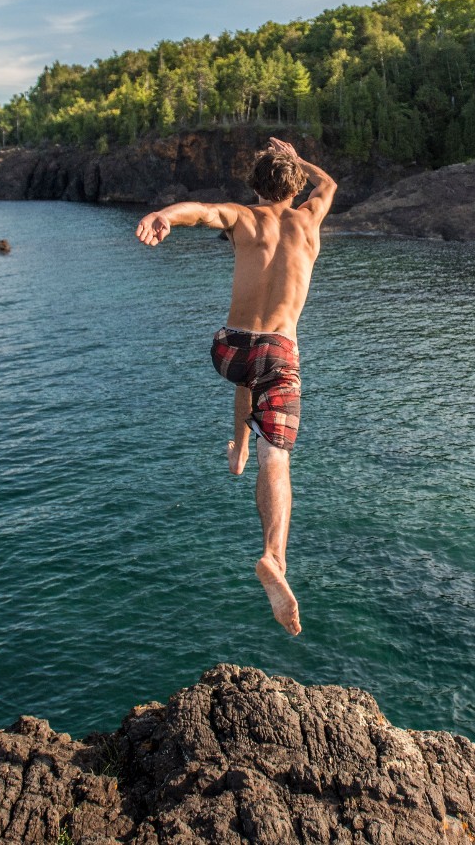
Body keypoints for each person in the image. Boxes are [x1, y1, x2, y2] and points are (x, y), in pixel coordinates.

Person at [135, 137, 336, 636]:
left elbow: (200, 212)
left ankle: (238, 449)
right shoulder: (309, 220)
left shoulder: (244, 218)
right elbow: (328, 183)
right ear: (295, 186)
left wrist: (163, 214)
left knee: (249, 371)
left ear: (255, 186)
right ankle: (273, 557)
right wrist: (297, 159)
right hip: (278, 352)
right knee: (279, 459)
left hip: (229, 348)